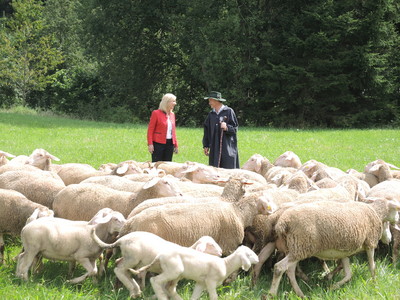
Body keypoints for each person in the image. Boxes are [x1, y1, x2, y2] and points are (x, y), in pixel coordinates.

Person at [202, 91, 239, 169]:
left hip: (227, 148)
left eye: (210, 101)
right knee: (215, 169)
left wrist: (227, 127)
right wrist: (206, 145)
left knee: (228, 169)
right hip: (214, 147)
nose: (209, 103)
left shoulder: (229, 111)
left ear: (216, 100)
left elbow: (235, 129)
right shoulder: (211, 115)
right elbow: (206, 131)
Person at [147, 93, 178, 162]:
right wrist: (150, 144)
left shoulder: (172, 114)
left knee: (167, 165)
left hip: (170, 144)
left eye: (175, 101)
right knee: (156, 165)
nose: (175, 103)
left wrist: (176, 145)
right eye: (173, 101)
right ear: (166, 102)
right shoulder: (156, 113)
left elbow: (173, 131)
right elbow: (150, 130)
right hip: (158, 144)